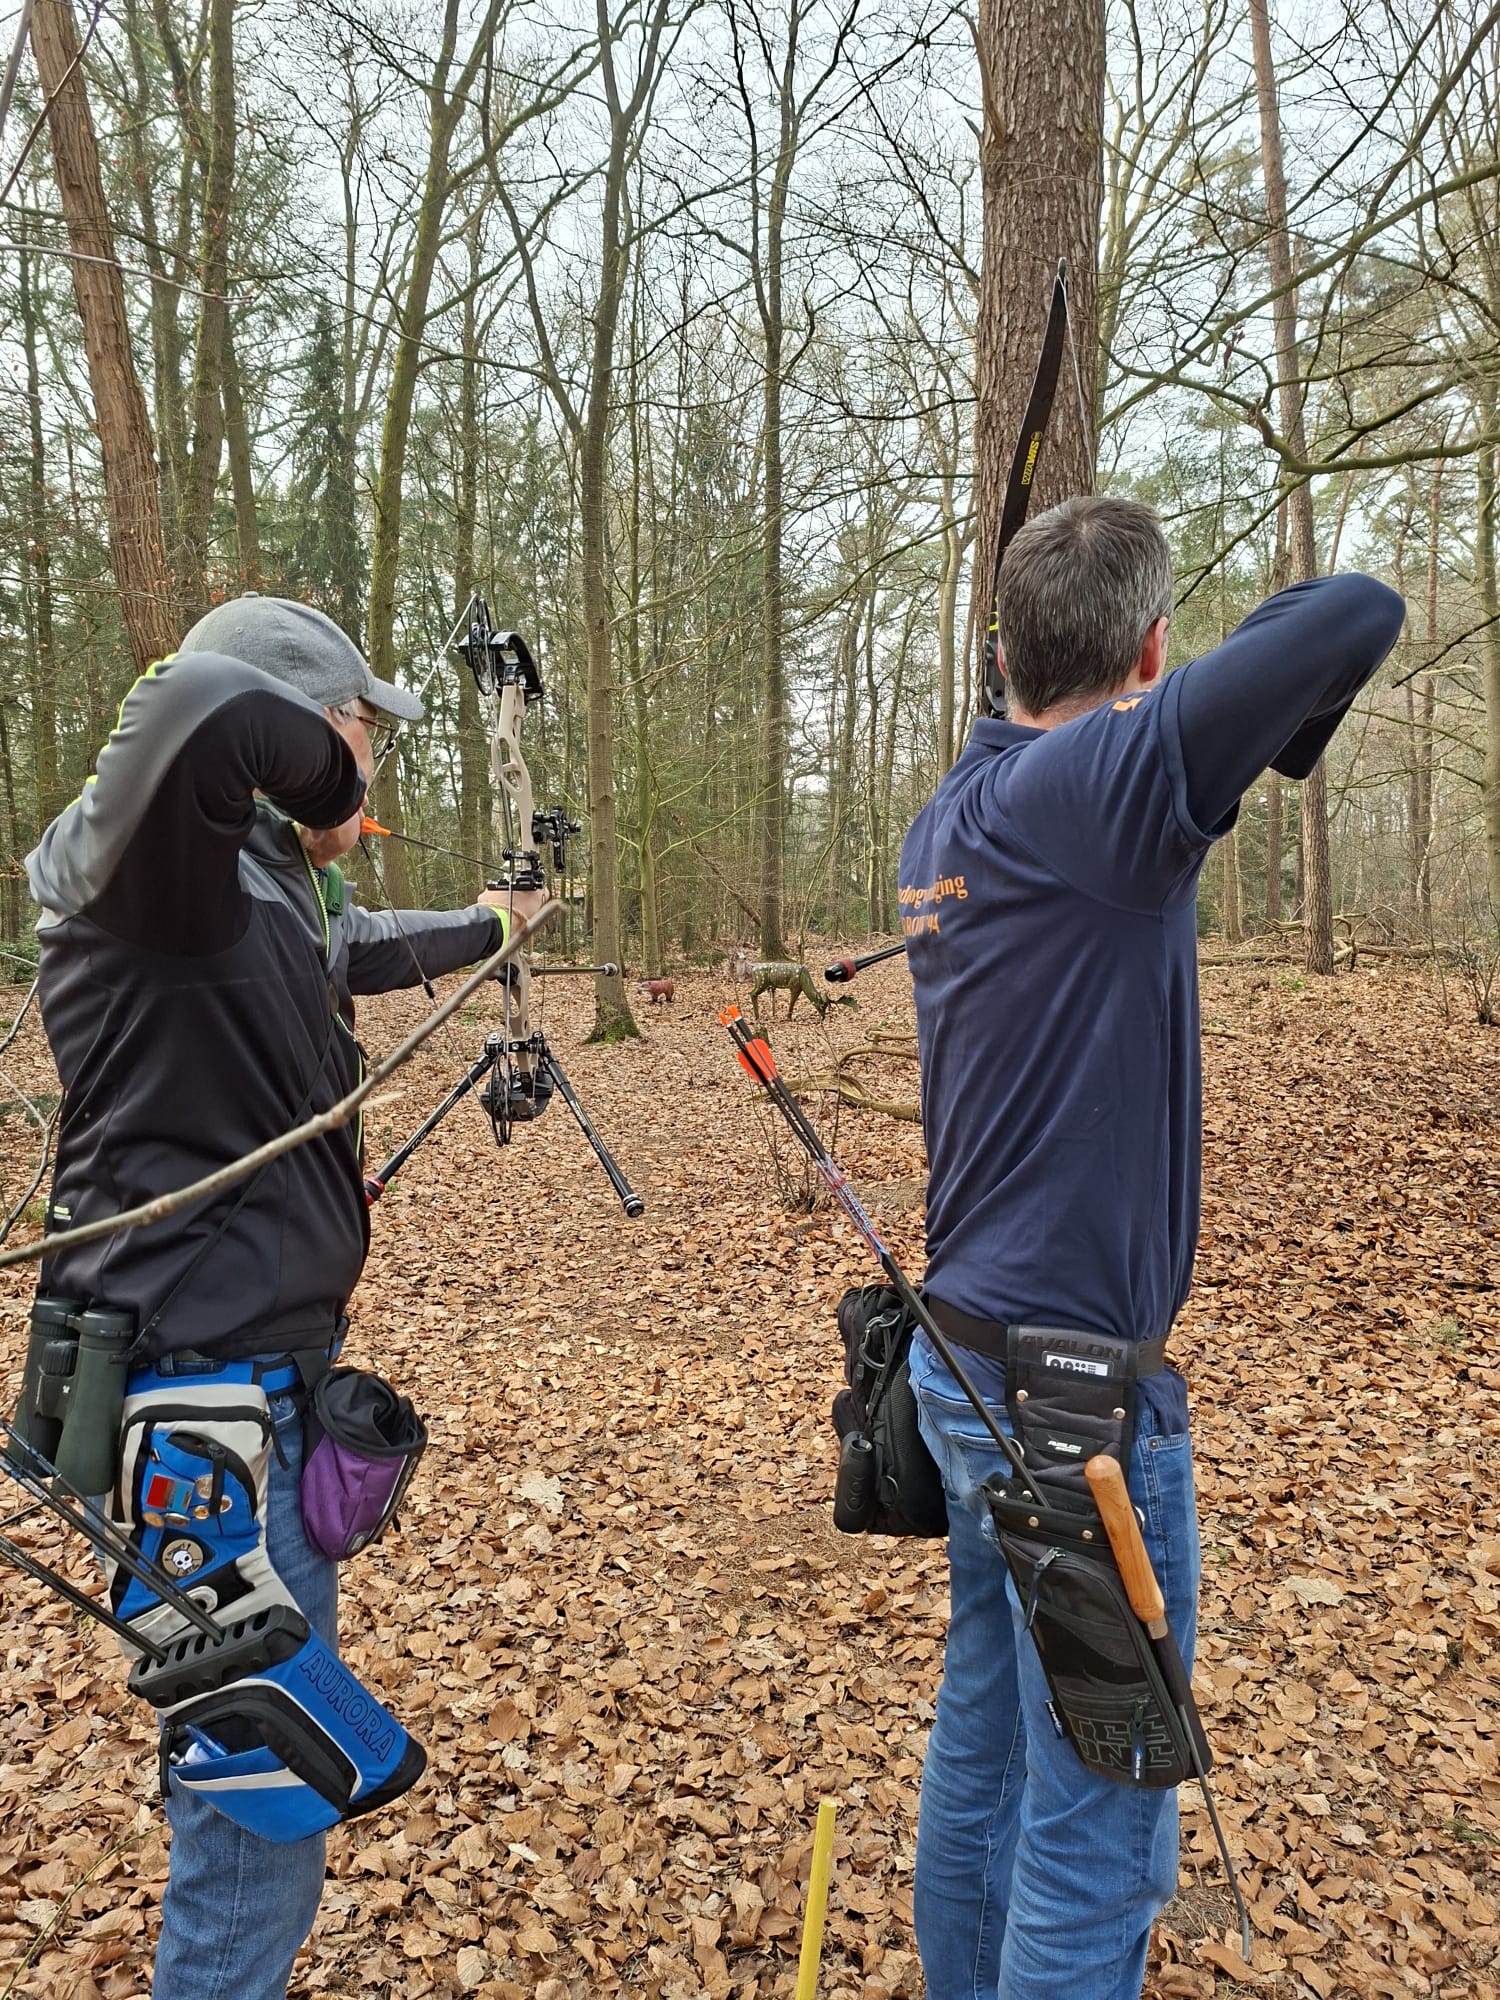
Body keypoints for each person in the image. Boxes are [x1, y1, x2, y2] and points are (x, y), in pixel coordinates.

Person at [898, 497, 1404, 2000]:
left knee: (988, 1746)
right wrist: (1240, 720)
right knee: (1098, 1828)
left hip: (964, 1361)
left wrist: (1192, 709)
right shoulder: (1099, 792)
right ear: (1151, 653)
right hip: (1077, 1416)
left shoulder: (956, 813)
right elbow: (1355, 610)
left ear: (1004, 655)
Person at [24, 595, 547, 2000]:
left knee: (248, 1803)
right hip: (202, 1417)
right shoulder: (160, 875)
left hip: (254, 1396)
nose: (376, 766)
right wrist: (331, 775)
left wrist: (488, 925)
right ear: (308, 729)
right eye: (366, 730)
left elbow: (351, 946)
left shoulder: (255, 887)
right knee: (257, 1835)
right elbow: (193, 707)